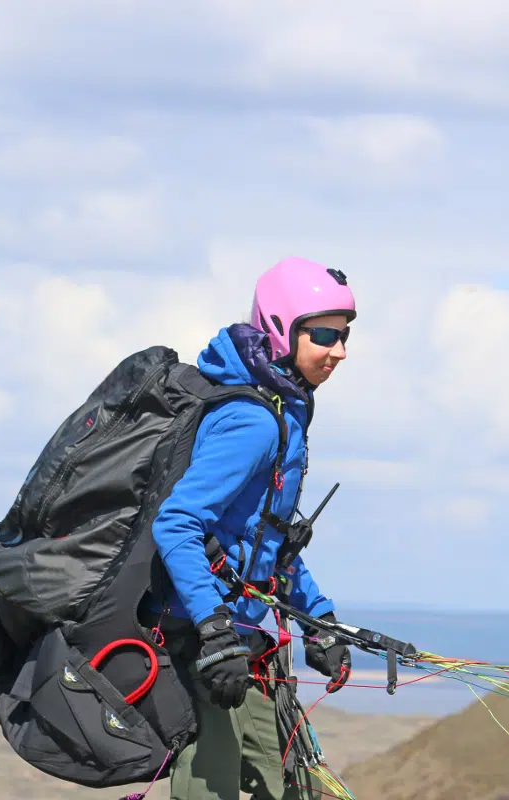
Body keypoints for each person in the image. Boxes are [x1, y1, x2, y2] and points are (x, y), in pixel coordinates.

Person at [146, 256, 357, 800]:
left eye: (345, 335)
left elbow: (268, 544)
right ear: (282, 329)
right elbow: (177, 523)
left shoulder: (288, 415)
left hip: (246, 645)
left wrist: (321, 622)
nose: (339, 351)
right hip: (200, 640)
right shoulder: (255, 422)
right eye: (326, 334)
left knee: (295, 786)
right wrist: (214, 629)